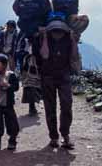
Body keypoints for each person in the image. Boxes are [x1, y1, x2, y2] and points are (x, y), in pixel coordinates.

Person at [33, 20, 76, 149]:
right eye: (55, 32)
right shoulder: (44, 39)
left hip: (64, 76)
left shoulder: (68, 39)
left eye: (60, 32)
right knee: (50, 108)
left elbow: (74, 56)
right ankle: (53, 137)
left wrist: (73, 40)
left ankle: (65, 135)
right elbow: (45, 55)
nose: (58, 34)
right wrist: (45, 37)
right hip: (47, 77)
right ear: (51, 32)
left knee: (66, 105)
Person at [0, 53, 20, 151]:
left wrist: (8, 86)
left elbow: (16, 87)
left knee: (11, 122)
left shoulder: (11, 75)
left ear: (5, 65)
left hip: (8, 103)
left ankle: (12, 140)